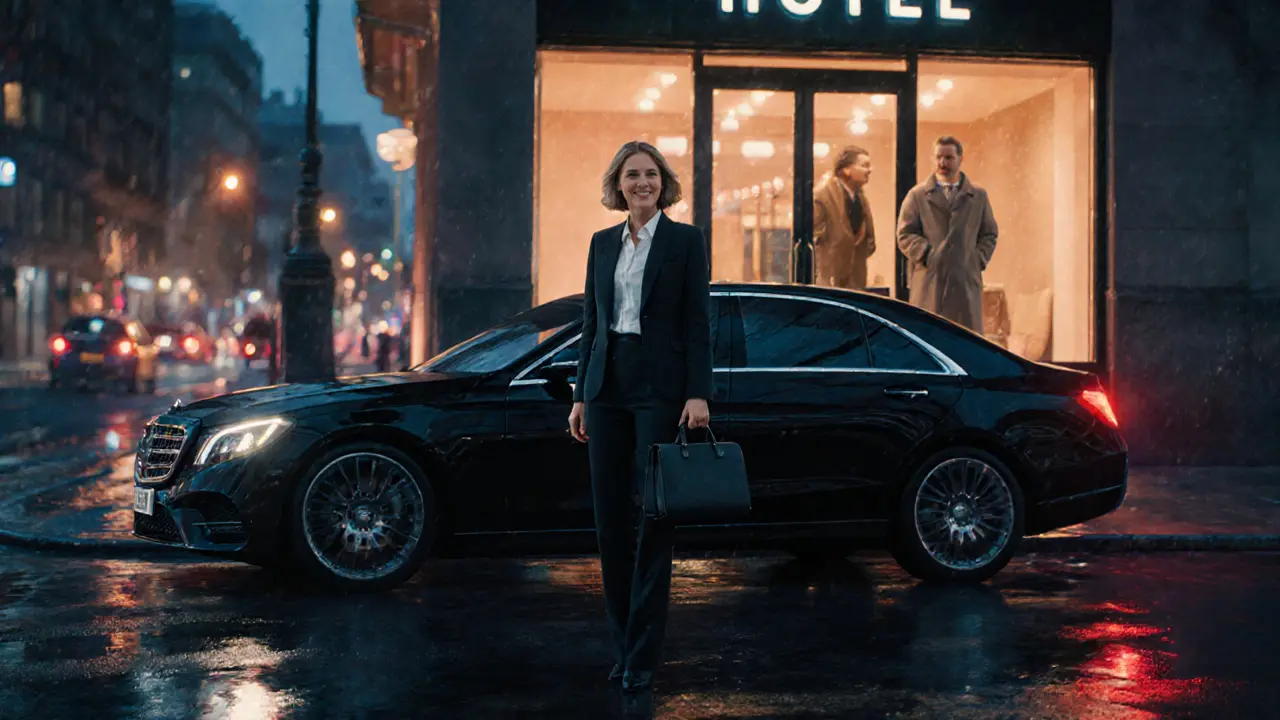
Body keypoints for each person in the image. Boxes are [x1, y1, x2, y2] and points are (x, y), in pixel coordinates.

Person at [567, 140, 712, 694]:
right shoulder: (602, 244)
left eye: (651, 175)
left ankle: (643, 657)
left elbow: (698, 322)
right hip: (607, 388)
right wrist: (580, 394)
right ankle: (621, 645)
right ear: (618, 185)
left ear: (663, 183)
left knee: (654, 519)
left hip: (660, 390)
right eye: (632, 176)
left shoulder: (685, 241)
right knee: (610, 522)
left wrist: (698, 393)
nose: (642, 183)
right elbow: (590, 322)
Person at [895, 135, 998, 333]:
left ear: (960, 159)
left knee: (965, 342)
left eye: (949, 158)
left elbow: (989, 233)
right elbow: (905, 234)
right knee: (930, 339)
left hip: (965, 282)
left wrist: (975, 260)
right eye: (938, 157)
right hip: (930, 281)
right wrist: (928, 255)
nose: (943, 163)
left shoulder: (978, 196)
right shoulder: (917, 195)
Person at [813, 145, 877, 289]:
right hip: (829, 284)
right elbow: (816, 241)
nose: (869, 170)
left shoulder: (860, 198)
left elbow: (868, 242)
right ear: (846, 170)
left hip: (855, 283)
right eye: (864, 165)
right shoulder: (822, 196)